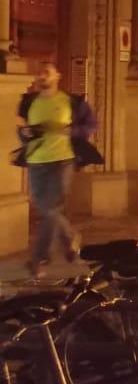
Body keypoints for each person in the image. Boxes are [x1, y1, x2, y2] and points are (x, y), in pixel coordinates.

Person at [13, 62, 102, 278]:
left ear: (57, 76)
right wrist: (25, 133)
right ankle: (71, 240)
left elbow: (92, 124)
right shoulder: (29, 102)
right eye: (40, 72)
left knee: (51, 208)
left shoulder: (70, 102)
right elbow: (22, 132)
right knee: (48, 209)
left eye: (47, 72)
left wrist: (74, 131)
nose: (42, 75)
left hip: (62, 161)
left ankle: (39, 258)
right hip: (36, 160)